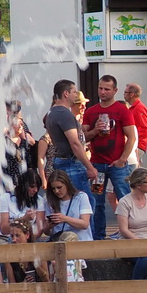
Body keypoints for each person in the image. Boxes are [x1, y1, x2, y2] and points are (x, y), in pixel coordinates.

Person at [82, 74, 138, 240]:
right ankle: (98, 237)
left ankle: (129, 234)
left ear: (115, 91)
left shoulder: (122, 110)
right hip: (97, 165)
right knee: (96, 202)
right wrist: (95, 131)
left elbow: (131, 137)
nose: (103, 92)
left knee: (125, 199)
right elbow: (83, 137)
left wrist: (122, 159)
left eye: (107, 89)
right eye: (100, 88)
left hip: (117, 166)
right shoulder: (91, 112)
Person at [43, 79, 100, 221]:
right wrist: (90, 167)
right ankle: (86, 239)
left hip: (63, 161)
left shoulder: (52, 112)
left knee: (73, 203)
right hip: (70, 163)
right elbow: (74, 142)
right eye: (74, 91)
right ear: (66, 93)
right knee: (84, 203)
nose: (76, 94)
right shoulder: (63, 113)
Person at [115, 166, 147, 283]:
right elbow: (124, 230)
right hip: (130, 242)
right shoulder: (124, 202)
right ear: (138, 185)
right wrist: (141, 242)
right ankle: (136, 287)